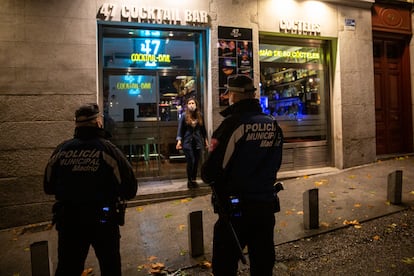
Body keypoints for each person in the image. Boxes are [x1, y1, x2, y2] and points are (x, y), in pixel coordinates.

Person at [201, 75, 283, 276]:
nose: (227, 96)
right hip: (265, 206)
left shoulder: (232, 126)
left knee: (224, 266)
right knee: (263, 265)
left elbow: (210, 172)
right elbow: (276, 163)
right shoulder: (272, 125)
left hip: (236, 211)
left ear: (235, 96)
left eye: (228, 92)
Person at [44, 103, 138, 276]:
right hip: (103, 220)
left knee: (68, 267)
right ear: (98, 122)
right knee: (110, 267)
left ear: (76, 125)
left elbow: (48, 186)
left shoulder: (61, 150)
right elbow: (130, 188)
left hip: (69, 220)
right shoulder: (108, 150)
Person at [176, 98, 209, 188]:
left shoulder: (200, 115)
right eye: (189, 103)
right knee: (191, 160)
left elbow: (203, 130)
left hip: (197, 142)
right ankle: (189, 180)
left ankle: (193, 180)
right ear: (187, 105)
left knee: (196, 161)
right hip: (187, 142)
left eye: (193, 103)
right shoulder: (184, 116)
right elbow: (180, 129)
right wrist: (179, 141)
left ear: (196, 104)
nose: (191, 105)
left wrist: (206, 141)